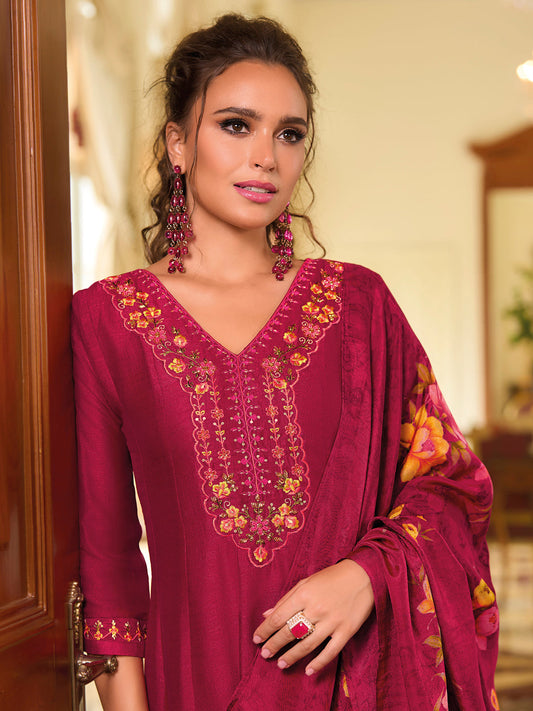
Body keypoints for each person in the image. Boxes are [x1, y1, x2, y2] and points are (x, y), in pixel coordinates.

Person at [71, 13, 499, 711]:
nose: (265, 156)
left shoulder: (358, 306)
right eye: (236, 125)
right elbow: (109, 561)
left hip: (352, 682)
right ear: (178, 144)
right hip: (198, 681)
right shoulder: (107, 320)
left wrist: (366, 575)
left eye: (289, 133)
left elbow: (450, 483)